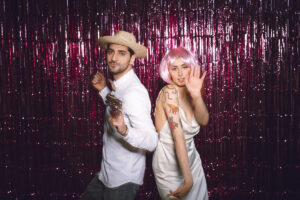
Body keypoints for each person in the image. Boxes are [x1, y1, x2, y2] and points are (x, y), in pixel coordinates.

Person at [80, 31, 158, 200]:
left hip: (123, 180)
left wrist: (124, 130)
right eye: (110, 52)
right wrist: (103, 90)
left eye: (121, 53)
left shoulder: (134, 92)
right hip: (106, 174)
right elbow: (119, 107)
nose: (114, 58)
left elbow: (152, 140)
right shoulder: (120, 86)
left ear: (132, 59)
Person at [152, 47, 209, 200]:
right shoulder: (169, 93)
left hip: (192, 162)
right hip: (168, 165)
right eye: (174, 68)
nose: (180, 73)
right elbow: (178, 135)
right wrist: (188, 179)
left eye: (184, 67)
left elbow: (204, 120)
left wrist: (197, 96)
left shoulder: (192, 91)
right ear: (168, 72)